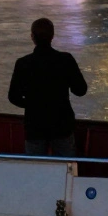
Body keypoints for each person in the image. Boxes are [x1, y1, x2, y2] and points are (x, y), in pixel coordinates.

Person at [7, 18, 88, 157]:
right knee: (65, 168)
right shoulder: (66, 59)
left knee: (35, 169)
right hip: (62, 123)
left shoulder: (23, 63)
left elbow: (13, 96)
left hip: (35, 125)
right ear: (52, 36)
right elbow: (80, 90)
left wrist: (32, 104)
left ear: (32, 37)